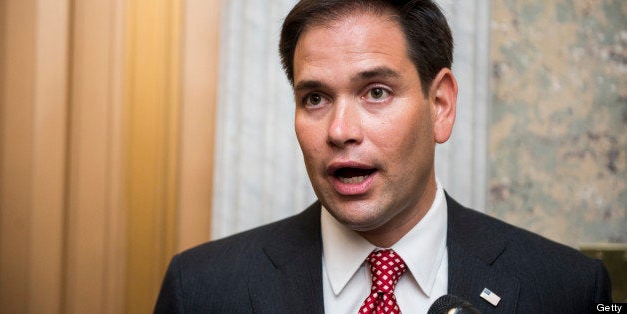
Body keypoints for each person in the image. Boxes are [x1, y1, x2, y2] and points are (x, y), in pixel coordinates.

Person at [155, 0, 612, 313]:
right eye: (314, 98)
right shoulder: (201, 289)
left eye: (376, 92)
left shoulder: (568, 288)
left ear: (440, 106)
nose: (339, 131)